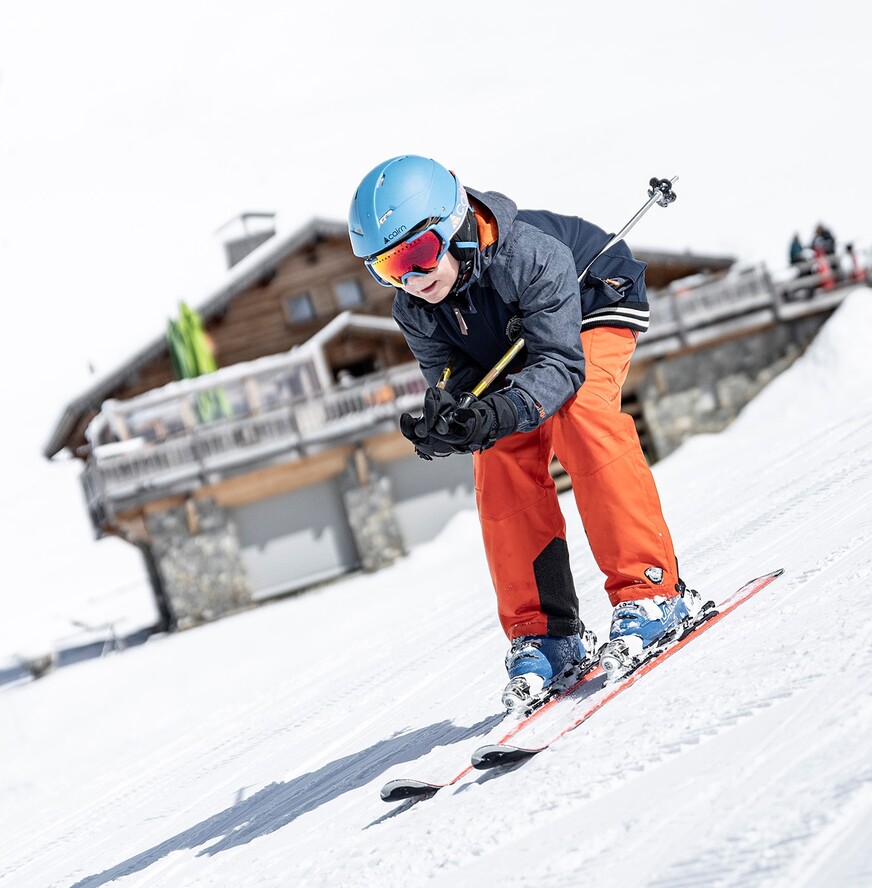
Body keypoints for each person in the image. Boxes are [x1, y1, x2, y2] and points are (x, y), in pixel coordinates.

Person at [347, 155, 699, 708]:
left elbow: (559, 365)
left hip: (591, 302)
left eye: (416, 254)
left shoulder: (530, 255)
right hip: (515, 346)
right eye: (388, 269)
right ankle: (547, 634)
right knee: (498, 454)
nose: (411, 279)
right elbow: (458, 379)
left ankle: (651, 591)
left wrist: (501, 410)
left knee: (579, 414)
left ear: (453, 223)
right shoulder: (415, 308)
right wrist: (456, 422)